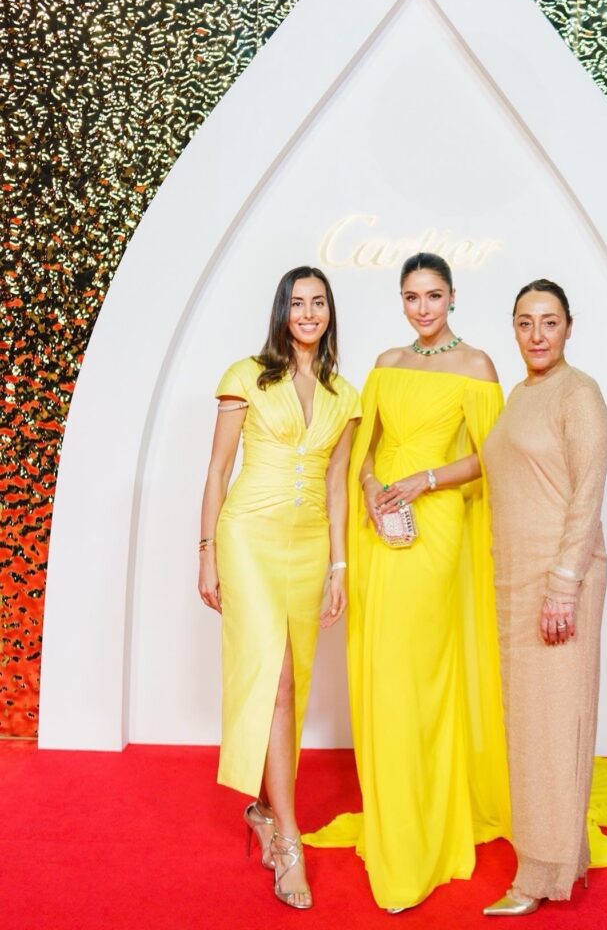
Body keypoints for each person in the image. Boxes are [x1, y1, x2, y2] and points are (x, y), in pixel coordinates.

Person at [304, 253, 510, 911]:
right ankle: (393, 813)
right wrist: (369, 486)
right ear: (401, 300)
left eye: (433, 296)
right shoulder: (387, 361)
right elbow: (364, 448)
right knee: (380, 672)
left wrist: (424, 481)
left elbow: (491, 457)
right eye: (412, 297)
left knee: (419, 671)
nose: (423, 308)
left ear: (453, 297)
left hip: (434, 527)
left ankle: (426, 825)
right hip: (377, 527)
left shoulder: (476, 365)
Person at [197, 266, 360, 910]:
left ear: (330, 312)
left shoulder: (345, 394)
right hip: (248, 537)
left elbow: (338, 484)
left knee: (294, 679)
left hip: (309, 544)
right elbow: (217, 470)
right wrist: (207, 553)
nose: (308, 313)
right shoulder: (246, 377)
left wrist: (339, 567)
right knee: (276, 676)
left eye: (318, 302)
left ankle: (265, 811)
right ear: (282, 312)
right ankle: (289, 836)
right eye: (297, 303)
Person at [481, 278, 607, 915]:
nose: (537, 335)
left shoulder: (578, 393)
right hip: (516, 579)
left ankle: (537, 874)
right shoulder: (519, 395)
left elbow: (587, 495)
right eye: (525, 322)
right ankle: (559, 857)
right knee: (531, 725)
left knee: (554, 725)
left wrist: (563, 585)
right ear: (513, 328)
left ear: (569, 327)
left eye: (549, 322)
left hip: (560, 582)